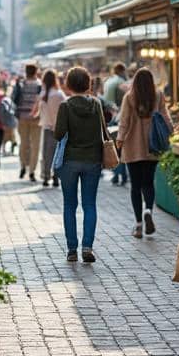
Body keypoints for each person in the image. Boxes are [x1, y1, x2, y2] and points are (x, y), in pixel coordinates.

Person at [54, 66, 108, 264]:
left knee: (69, 204)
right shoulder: (96, 104)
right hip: (92, 160)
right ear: (88, 84)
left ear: (68, 84)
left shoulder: (65, 106)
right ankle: (87, 246)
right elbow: (103, 130)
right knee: (89, 204)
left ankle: (71, 249)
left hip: (69, 160)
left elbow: (58, 134)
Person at [116, 67, 172, 239]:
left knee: (135, 186)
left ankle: (139, 225)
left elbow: (124, 121)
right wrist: (172, 132)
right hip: (152, 147)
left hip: (133, 147)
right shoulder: (158, 95)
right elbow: (166, 118)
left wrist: (119, 139)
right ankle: (148, 209)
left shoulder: (129, 97)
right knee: (148, 183)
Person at [33, 68, 66, 188]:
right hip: (58, 128)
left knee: (46, 154)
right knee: (58, 154)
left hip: (46, 127)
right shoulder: (59, 94)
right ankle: (56, 177)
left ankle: (45, 177)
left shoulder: (42, 95)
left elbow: (37, 113)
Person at [12, 64, 44, 182]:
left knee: (24, 143)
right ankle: (32, 171)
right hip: (37, 118)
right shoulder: (40, 85)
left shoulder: (20, 84)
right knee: (35, 146)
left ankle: (23, 166)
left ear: (26, 72)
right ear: (36, 72)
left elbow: (13, 99)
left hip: (22, 117)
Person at [103, 63, 129, 187]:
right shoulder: (121, 82)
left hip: (111, 116)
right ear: (122, 70)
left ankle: (116, 175)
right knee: (120, 148)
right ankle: (122, 175)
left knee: (114, 148)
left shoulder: (109, 81)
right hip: (119, 115)